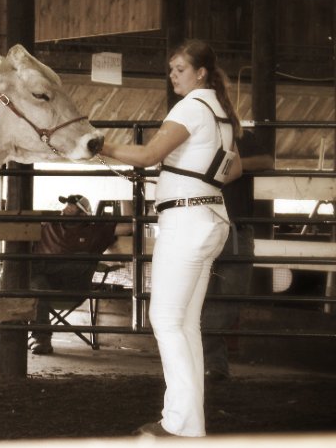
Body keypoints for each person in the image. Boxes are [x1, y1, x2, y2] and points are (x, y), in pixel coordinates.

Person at [100, 39, 243, 438]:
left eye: (179, 68)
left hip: (186, 220)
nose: (173, 75)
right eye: (171, 69)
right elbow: (233, 171)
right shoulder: (222, 115)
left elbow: (148, 156)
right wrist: (191, 170)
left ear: (200, 73)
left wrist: (101, 146)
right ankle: (186, 423)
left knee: (165, 319)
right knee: (185, 323)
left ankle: (180, 424)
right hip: (211, 216)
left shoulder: (191, 107)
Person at [202, 128, 273, 382]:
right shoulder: (192, 132)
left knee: (229, 295)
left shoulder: (240, 134)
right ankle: (214, 364)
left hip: (235, 226)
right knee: (205, 295)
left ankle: (210, 361)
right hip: (204, 226)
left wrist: (231, 165)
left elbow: (267, 161)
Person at [28, 194, 130, 355]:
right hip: (46, 286)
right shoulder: (49, 224)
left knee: (81, 260)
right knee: (37, 284)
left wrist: (127, 194)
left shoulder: (94, 229)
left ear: (83, 213)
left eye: (72, 205)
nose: (66, 207)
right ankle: (42, 339)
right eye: (66, 204)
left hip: (73, 286)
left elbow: (129, 227)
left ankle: (36, 265)